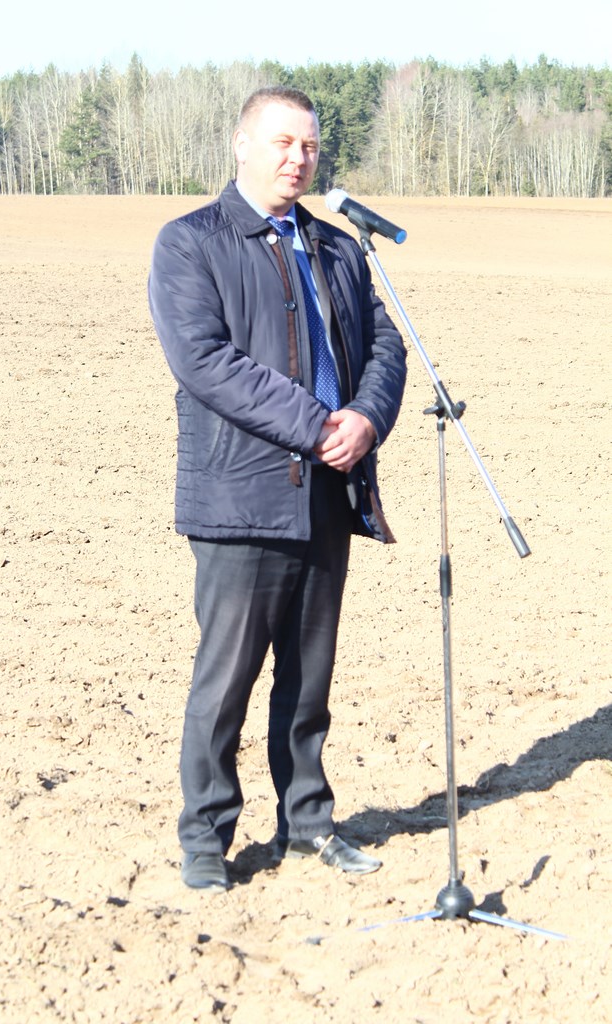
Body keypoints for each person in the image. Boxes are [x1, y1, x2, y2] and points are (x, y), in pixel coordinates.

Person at [148, 86, 407, 891]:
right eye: (283, 143)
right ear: (242, 145)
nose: (298, 159)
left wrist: (365, 420)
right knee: (225, 681)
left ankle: (308, 824)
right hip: (241, 498)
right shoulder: (191, 242)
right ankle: (205, 841)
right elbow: (205, 362)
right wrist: (316, 425)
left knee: (308, 678)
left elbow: (386, 346)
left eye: (310, 146)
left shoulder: (338, 249)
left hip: (328, 493)